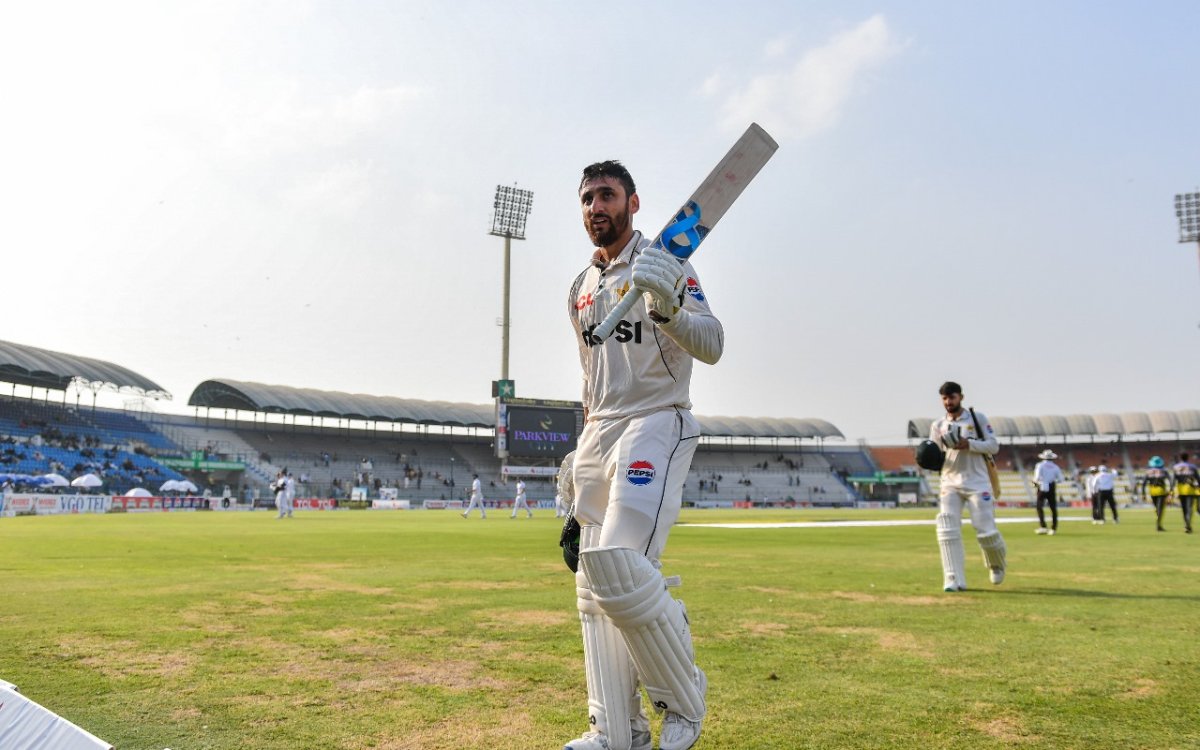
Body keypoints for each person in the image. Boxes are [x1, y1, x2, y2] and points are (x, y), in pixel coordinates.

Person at [563, 160, 722, 750]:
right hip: (598, 432)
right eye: (587, 199)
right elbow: (590, 376)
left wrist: (669, 307)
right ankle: (613, 730)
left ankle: (683, 700)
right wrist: (577, 451)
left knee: (621, 563)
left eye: (607, 195)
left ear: (634, 203)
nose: (595, 207)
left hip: (657, 421)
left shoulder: (667, 264)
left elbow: (714, 345)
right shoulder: (581, 288)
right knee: (591, 581)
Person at [929, 381, 1006, 592]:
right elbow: (934, 455)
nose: (948, 402)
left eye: (952, 397)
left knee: (985, 531)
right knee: (947, 528)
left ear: (961, 397)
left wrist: (969, 444)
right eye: (944, 398)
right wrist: (925, 457)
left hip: (977, 481)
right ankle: (953, 578)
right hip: (949, 482)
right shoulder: (937, 425)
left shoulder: (977, 419)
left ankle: (996, 564)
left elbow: (994, 446)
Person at [1031, 449, 1064, 535]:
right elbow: (1061, 479)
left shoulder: (1040, 465)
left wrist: (1035, 483)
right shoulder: (1056, 467)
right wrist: (1052, 481)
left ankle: (1043, 527)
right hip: (1052, 486)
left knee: (1039, 506)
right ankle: (1053, 528)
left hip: (1042, 486)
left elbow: (1036, 477)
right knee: (1053, 508)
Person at [1137, 456, 1174, 532]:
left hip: (1152, 492)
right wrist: (1171, 492)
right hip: (1161, 492)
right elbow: (1170, 481)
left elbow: (1143, 484)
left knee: (1157, 509)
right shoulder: (1164, 471)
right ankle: (1158, 525)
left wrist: (1143, 494)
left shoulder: (1148, 472)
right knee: (1160, 509)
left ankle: (1159, 523)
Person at [1171, 453, 1198, 534]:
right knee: (1189, 508)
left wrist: (1171, 490)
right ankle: (1188, 524)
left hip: (1180, 490)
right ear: (1187, 458)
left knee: (1184, 509)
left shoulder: (1176, 467)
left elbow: (1173, 480)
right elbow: (1198, 478)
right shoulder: (1192, 467)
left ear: (1180, 458)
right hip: (1190, 489)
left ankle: (1186, 524)